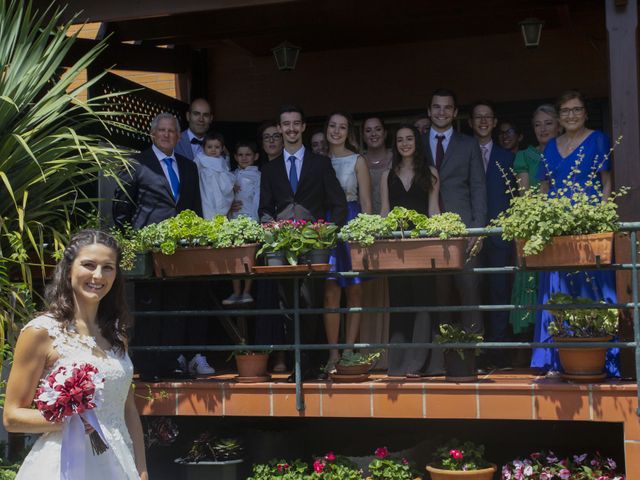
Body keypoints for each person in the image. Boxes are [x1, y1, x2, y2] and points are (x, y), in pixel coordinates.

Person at [3, 230, 147, 479]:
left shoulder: (116, 334)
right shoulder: (41, 332)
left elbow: (128, 409)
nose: (98, 276)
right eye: (89, 265)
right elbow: (12, 416)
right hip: (65, 465)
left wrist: (142, 470)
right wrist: (70, 421)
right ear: (68, 269)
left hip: (120, 464)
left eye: (108, 267)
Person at [113, 112, 214, 378]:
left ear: (178, 136)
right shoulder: (137, 163)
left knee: (176, 308)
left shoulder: (189, 166)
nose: (167, 135)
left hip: (181, 251)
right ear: (153, 134)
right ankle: (147, 366)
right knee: (150, 308)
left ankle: (170, 362)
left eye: (172, 131)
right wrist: (133, 243)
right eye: (162, 131)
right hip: (150, 251)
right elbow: (121, 207)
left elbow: (195, 208)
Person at [531, 90, 618, 376]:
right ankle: (555, 361)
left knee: (591, 286)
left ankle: (600, 359)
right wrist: (542, 220)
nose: (571, 115)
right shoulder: (550, 146)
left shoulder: (598, 139)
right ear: (559, 117)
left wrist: (603, 220)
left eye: (576, 109)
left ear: (585, 113)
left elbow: (607, 183)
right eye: (565, 111)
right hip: (555, 226)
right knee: (558, 287)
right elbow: (543, 187)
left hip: (588, 221)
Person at [259, 104, 347, 380]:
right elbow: (264, 209)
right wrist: (269, 228)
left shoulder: (320, 163)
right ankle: (298, 363)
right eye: (286, 124)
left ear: (304, 127)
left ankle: (310, 363)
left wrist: (329, 232)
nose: (291, 129)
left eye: (296, 123)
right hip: (282, 245)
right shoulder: (270, 169)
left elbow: (339, 203)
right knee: (288, 306)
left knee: (311, 303)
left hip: (315, 243)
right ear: (280, 127)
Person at [380, 125, 441, 377]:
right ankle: (397, 364)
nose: (405, 143)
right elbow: (384, 211)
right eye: (400, 140)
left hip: (423, 243)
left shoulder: (431, 173)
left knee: (423, 301)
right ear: (395, 144)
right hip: (396, 246)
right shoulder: (387, 175)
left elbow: (433, 209)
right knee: (400, 301)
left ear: (417, 142)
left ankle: (418, 364)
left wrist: (438, 237)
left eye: (409, 139)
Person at [425, 88, 487, 336]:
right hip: (426, 230)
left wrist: (478, 229)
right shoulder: (416, 143)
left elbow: (478, 187)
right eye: (437, 107)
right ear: (429, 111)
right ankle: (439, 359)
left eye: (447, 107)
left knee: (468, 288)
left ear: (455, 113)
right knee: (436, 293)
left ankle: (474, 351)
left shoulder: (468, 144)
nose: (442, 112)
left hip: (464, 229)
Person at [323, 112, 372, 371]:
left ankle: (349, 350)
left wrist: (365, 234)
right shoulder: (317, 160)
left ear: (348, 132)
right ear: (326, 129)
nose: (337, 131)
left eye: (342, 127)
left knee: (354, 289)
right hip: (327, 222)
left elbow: (366, 202)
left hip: (352, 221)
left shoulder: (358, 160)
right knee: (331, 291)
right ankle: (332, 355)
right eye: (332, 126)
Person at [468, 100, 515, 368]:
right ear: (471, 122)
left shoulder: (508, 157)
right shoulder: (462, 152)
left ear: (494, 122)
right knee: (472, 291)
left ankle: (498, 351)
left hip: (499, 234)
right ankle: (475, 350)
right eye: (478, 117)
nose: (483, 121)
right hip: (471, 233)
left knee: (499, 291)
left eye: (488, 117)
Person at [509, 105, 560, 344]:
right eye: (538, 124)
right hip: (534, 228)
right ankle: (533, 345)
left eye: (548, 123)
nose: (543, 128)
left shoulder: (566, 151)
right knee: (532, 283)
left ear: (559, 125)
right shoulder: (524, 156)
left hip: (561, 228)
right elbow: (524, 196)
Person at [359, 116, 392, 369]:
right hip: (366, 234)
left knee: (392, 294)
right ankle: (369, 354)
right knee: (367, 293)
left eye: (378, 129)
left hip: (392, 234)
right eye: (368, 130)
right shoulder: (358, 159)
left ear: (385, 132)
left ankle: (391, 355)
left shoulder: (396, 157)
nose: (373, 134)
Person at [254, 120, 287, 372]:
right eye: (267, 137)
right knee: (266, 300)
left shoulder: (288, 166)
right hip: (261, 240)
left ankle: (284, 357)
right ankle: (269, 355)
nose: (272, 141)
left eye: (276, 136)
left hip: (285, 239)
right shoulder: (255, 169)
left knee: (285, 299)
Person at [223, 141, 261, 306]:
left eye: (248, 154)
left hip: (251, 219)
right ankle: (236, 291)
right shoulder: (230, 174)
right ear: (235, 157)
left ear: (255, 157)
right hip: (233, 220)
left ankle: (247, 291)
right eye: (240, 155)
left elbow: (258, 199)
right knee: (233, 257)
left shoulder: (258, 175)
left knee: (248, 257)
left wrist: (256, 221)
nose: (244, 158)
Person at [194, 132, 235, 220]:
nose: (213, 150)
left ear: (222, 148)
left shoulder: (222, 161)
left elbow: (227, 175)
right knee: (207, 210)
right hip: (206, 191)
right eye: (209, 147)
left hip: (220, 192)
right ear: (203, 148)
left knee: (220, 211)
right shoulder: (199, 159)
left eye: (217, 147)